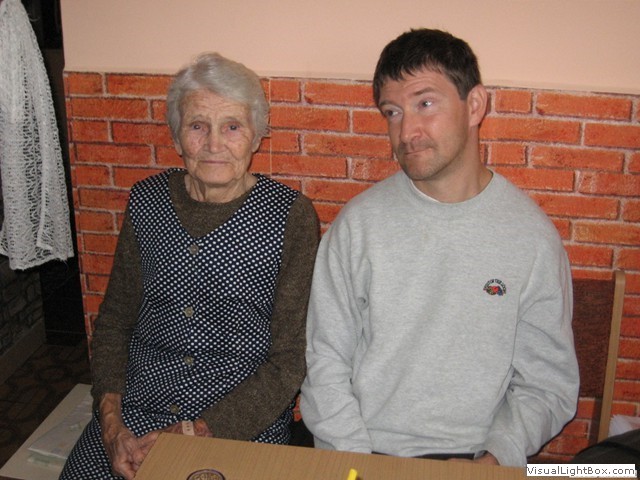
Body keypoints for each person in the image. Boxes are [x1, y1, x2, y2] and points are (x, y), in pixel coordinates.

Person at [300, 28, 579, 467]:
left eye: (425, 104)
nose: (407, 131)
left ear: (475, 105)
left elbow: (547, 385)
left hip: (473, 457)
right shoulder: (357, 226)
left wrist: (492, 462)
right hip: (364, 451)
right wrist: (356, 463)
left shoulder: (531, 238)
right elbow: (325, 363)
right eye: (392, 112)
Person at [60, 52, 319, 480]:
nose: (214, 144)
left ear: (256, 136)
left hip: (237, 422)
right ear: (177, 138)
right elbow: (115, 322)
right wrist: (111, 425)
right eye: (198, 126)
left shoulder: (290, 216)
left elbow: (290, 358)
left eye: (232, 126)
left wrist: (195, 432)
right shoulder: (147, 201)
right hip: (136, 414)